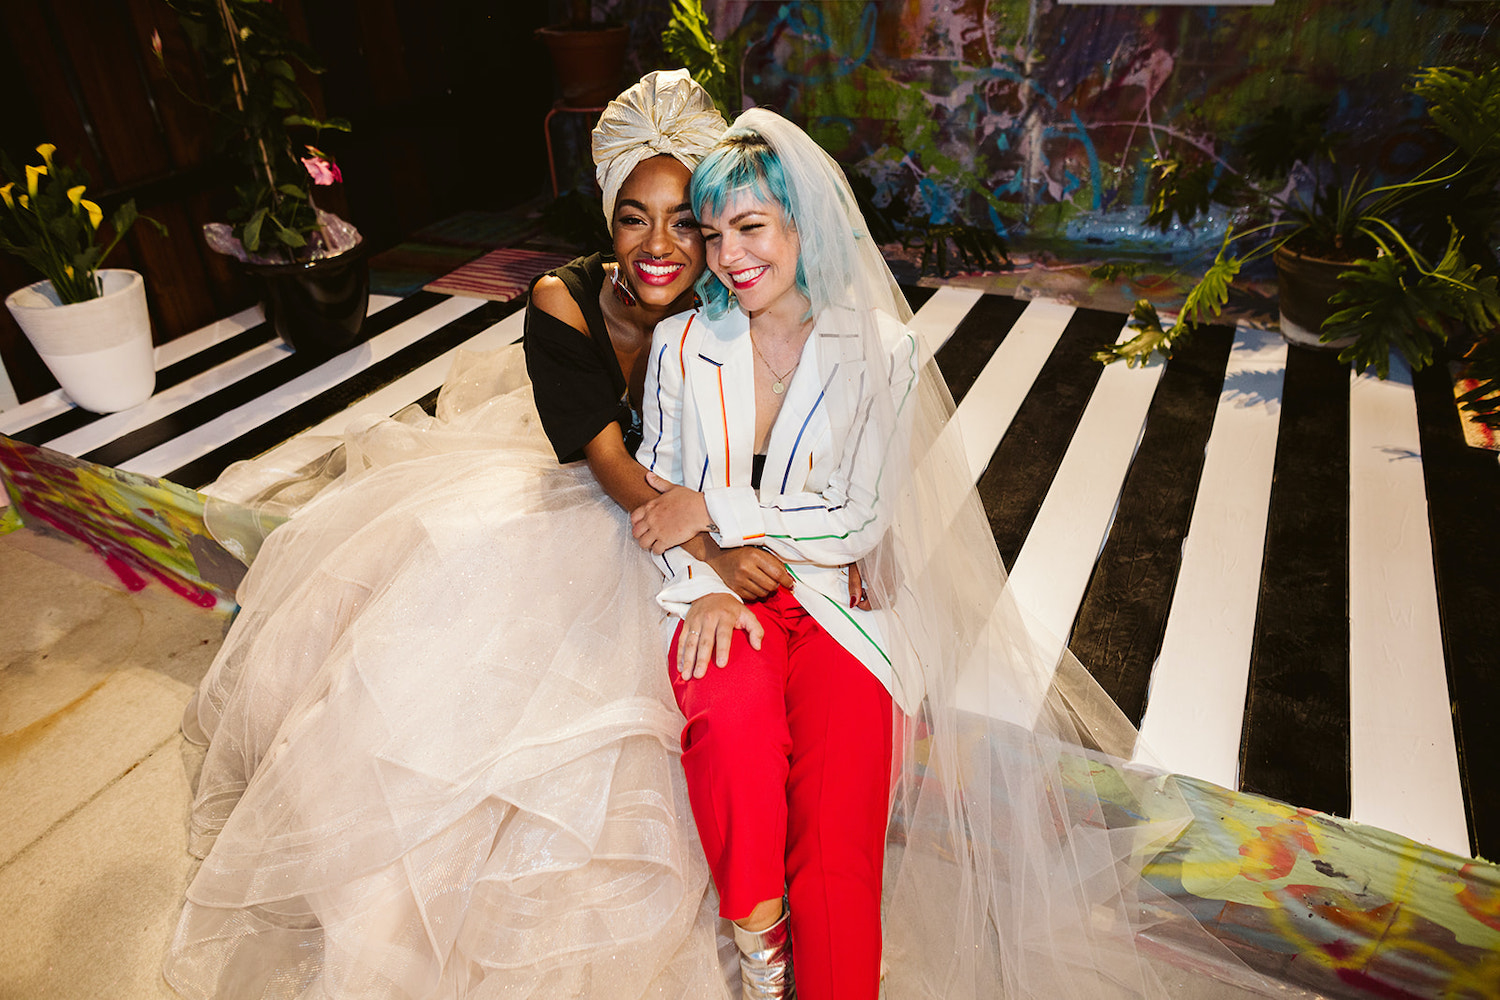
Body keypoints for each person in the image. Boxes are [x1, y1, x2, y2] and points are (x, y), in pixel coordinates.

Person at [628, 110, 1277, 1000]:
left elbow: (856, 522)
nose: (730, 255)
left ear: (801, 228)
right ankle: (759, 935)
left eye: (752, 228)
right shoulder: (683, 345)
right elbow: (662, 502)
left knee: (838, 827)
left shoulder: (882, 353)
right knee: (735, 735)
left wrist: (722, 506)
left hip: (843, 607)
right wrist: (704, 577)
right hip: (722, 600)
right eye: (715, 233)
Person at [163, 70, 741, 999]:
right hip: (596, 496)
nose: (659, 245)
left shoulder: (726, 300)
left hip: (677, 507)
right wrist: (704, 549)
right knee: (438, 646)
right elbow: (605, 465)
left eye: (683, 220)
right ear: (607, 218)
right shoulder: (562, 298)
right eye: (635, 217)